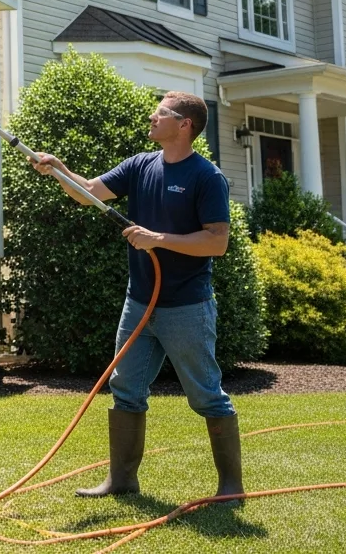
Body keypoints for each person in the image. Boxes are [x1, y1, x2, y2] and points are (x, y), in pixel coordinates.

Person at [30, 91, 243, 505]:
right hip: (140, 303)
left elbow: (217, 242)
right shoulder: (140, 165)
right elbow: (90, 190)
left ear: (184, 125)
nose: (152, 116)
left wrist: (157, 239)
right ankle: (122, 480)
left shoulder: (207, 177)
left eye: (161, 112)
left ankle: (231, 487)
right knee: (125, 387)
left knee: (206, 395)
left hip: (186, 305)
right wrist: (58, 169)